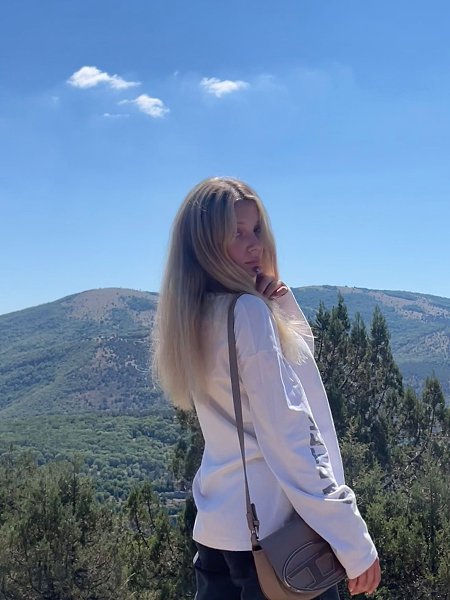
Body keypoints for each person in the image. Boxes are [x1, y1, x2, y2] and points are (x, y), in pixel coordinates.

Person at [153, 177, 381, 599]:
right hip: (278, 541)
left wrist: (278, 302)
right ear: (205, 244)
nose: (255, 244)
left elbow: (298, 368)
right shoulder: (247, 313)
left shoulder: (194, 317)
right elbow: (290, 436)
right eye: (237, 233)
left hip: (218, 534)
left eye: (256, 229)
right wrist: (352, 539)